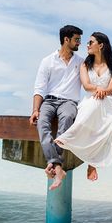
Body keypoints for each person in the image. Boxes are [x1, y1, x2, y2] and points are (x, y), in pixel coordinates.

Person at [54, 32, 112, 181]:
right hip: (91, 99)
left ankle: (86, 156)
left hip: (108, 101)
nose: (87, 45)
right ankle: (87, 157)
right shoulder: (85, 64)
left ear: (100, 45)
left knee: (101, 112)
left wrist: (103, 91)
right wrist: (97, 90)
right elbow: (86, 86)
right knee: (92, 106)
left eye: (91, 42)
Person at [29, 25, 83, 190]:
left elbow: (93, 79)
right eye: (77, 39)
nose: (79, 43)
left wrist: (111, 90)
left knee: (67, 118)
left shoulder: (81, 62)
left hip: (69, 102)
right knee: (42, 122)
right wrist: (35, 110)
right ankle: (58, 167)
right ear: (66, 39)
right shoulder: (47, 61)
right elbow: (39, 88)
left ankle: (53, 164)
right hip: (49, 101)